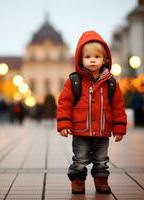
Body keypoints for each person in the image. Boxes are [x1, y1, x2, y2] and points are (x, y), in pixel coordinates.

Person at [57, 30, 127, 194]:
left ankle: (101, 181)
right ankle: (78, 182)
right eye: (88, 57)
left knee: (102, 160)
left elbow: (118, 106)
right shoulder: (74, 81)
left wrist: (119, 128)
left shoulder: (110, 82)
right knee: (80, 159)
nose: (92, 60)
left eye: (97, 57)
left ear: (105, 59)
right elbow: (64, 103)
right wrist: (63, 124)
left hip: (103, 132)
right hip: (81, 131)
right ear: (80, 59)